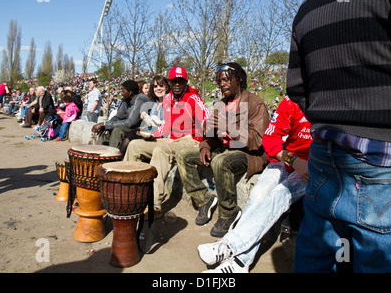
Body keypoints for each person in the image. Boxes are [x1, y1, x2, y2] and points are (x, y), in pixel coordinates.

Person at [286, 0, 391, 273]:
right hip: (390, 164)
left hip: (326, 157)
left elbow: (297, 88)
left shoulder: (310, 2)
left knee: (317, 259)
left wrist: (335, 120)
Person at [197, 96, 311, 272]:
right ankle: (239, 261)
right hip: (285, 159)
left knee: (279, 194)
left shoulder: (335, 102)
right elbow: (270, 139)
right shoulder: (292, 100)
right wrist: (292, 159)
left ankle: (231, 247)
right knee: (258, 194)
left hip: (316, 168)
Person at [175, 62, 269, 237]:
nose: (221, 84)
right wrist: (206, 146)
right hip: (224, 148)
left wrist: (229, 127)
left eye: (226, 80)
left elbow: (258, 140)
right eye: (219, 81)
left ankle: (229, 213)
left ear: (239, 79)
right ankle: (204, 200)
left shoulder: (256, 104)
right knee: (183, 154)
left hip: (247, 153)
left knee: (220, 161)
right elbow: (210, 134)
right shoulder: (221, 104)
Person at [123, 66, 210, 217]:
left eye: (180, 81)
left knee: (161, 151)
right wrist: (153, 135)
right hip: (173, 138)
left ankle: (154, 202)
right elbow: (167, 127)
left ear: (185, 82)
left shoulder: (193, 97)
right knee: (134, 145)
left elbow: (207, 120)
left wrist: (208, 142)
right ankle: (126, 190)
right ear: (169, 82)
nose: (177, 84)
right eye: (174, 81)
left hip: (192, 139)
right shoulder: (168, 99)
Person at [118, 75, 170, 155]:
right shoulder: (156, 103)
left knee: (131, 134)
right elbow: (151, 122)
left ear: (167, 87)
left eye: (161, 85)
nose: (158, 88)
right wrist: (145, 117)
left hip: (162, 136)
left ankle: (118, 157)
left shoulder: (170, 102)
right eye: (155, 86)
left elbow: (172, 124)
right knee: (131, 133)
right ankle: (119, 158)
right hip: (151, 131)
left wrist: (160, 121)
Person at [92, 80, 151, 149]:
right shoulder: (127, 99)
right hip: (131, 127)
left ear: (130, 92)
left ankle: (113, 155)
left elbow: (130, 123)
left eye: (123, 91)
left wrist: (104, 124)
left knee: (117, 130)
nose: (121, 93)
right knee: (104, 130)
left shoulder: (140, 99)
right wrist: (106, 125)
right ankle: (100, 153)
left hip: (142, 128)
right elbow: (118, 117)